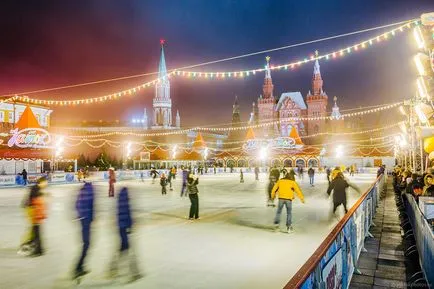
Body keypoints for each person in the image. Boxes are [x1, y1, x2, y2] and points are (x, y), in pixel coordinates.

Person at [109, 187, 142, 282]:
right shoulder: (125, 203)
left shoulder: (121, 202)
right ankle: (134, 272)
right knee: (129, 248)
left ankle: (113, 268)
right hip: (124, 228)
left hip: (121, 228)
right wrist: (130, 226)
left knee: (123, 248)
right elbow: (127, 215)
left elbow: (124, 215)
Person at [73, 182, 95, 279]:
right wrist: (86, 217)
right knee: (86, 244)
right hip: (86, 220)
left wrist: (81, 215)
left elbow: (78, 204)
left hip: (85, 219)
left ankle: (80, 267)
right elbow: (88, 205)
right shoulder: (89, 189)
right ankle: (78, 268)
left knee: (86, 244)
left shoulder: (84, 189)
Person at [27, 177, 48, 257]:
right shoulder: (36, 189)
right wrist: (39, 216)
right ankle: (38, 249)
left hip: (37, 214)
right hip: (35, 213)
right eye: (45, 182)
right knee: (36, 232)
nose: (46, 184)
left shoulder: (37, 189)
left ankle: (38, 249)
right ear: (41, 182)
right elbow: (36, 203)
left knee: (37, 232)